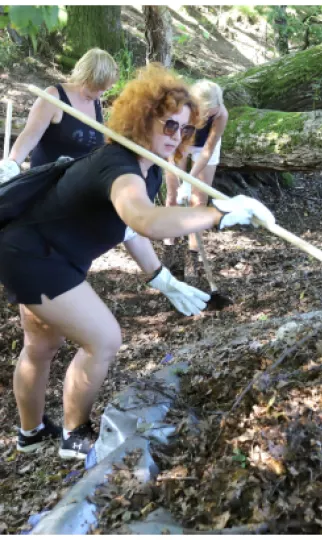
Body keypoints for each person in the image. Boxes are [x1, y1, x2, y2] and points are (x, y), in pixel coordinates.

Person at [0, 63, 275, 460]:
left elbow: (129, 229)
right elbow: (144, 218)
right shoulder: (120, 166)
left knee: (42, 344)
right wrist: (218, 216)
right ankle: (75, 437)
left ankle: (30, 434)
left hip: (41, 251)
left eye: (185, 129)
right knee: (104, 339)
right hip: (35, 256)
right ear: (144, 117)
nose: (176, 136)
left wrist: (161, 278)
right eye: (168, 125)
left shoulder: (146, 172)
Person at [0, 48, 118, 183]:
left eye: (104, 89)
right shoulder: (54, 97)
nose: (100, 94)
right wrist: (12, 163)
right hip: (50, 182)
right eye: (97, 88)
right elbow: (30, 135)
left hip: (80, 182)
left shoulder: (95, 101)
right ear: (87, 78)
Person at [161, 79, 229, 274]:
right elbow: (173, 141)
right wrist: (180, 177)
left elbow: (207, 151)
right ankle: (169, 251)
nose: (208, 115)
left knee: (198, 201)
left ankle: (192, 258)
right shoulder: (181, 108)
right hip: (181, 141)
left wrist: (189, 181)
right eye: (204, 111)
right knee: (173, 195)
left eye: (212, 112)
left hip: (204, 147)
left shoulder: (221, 114)